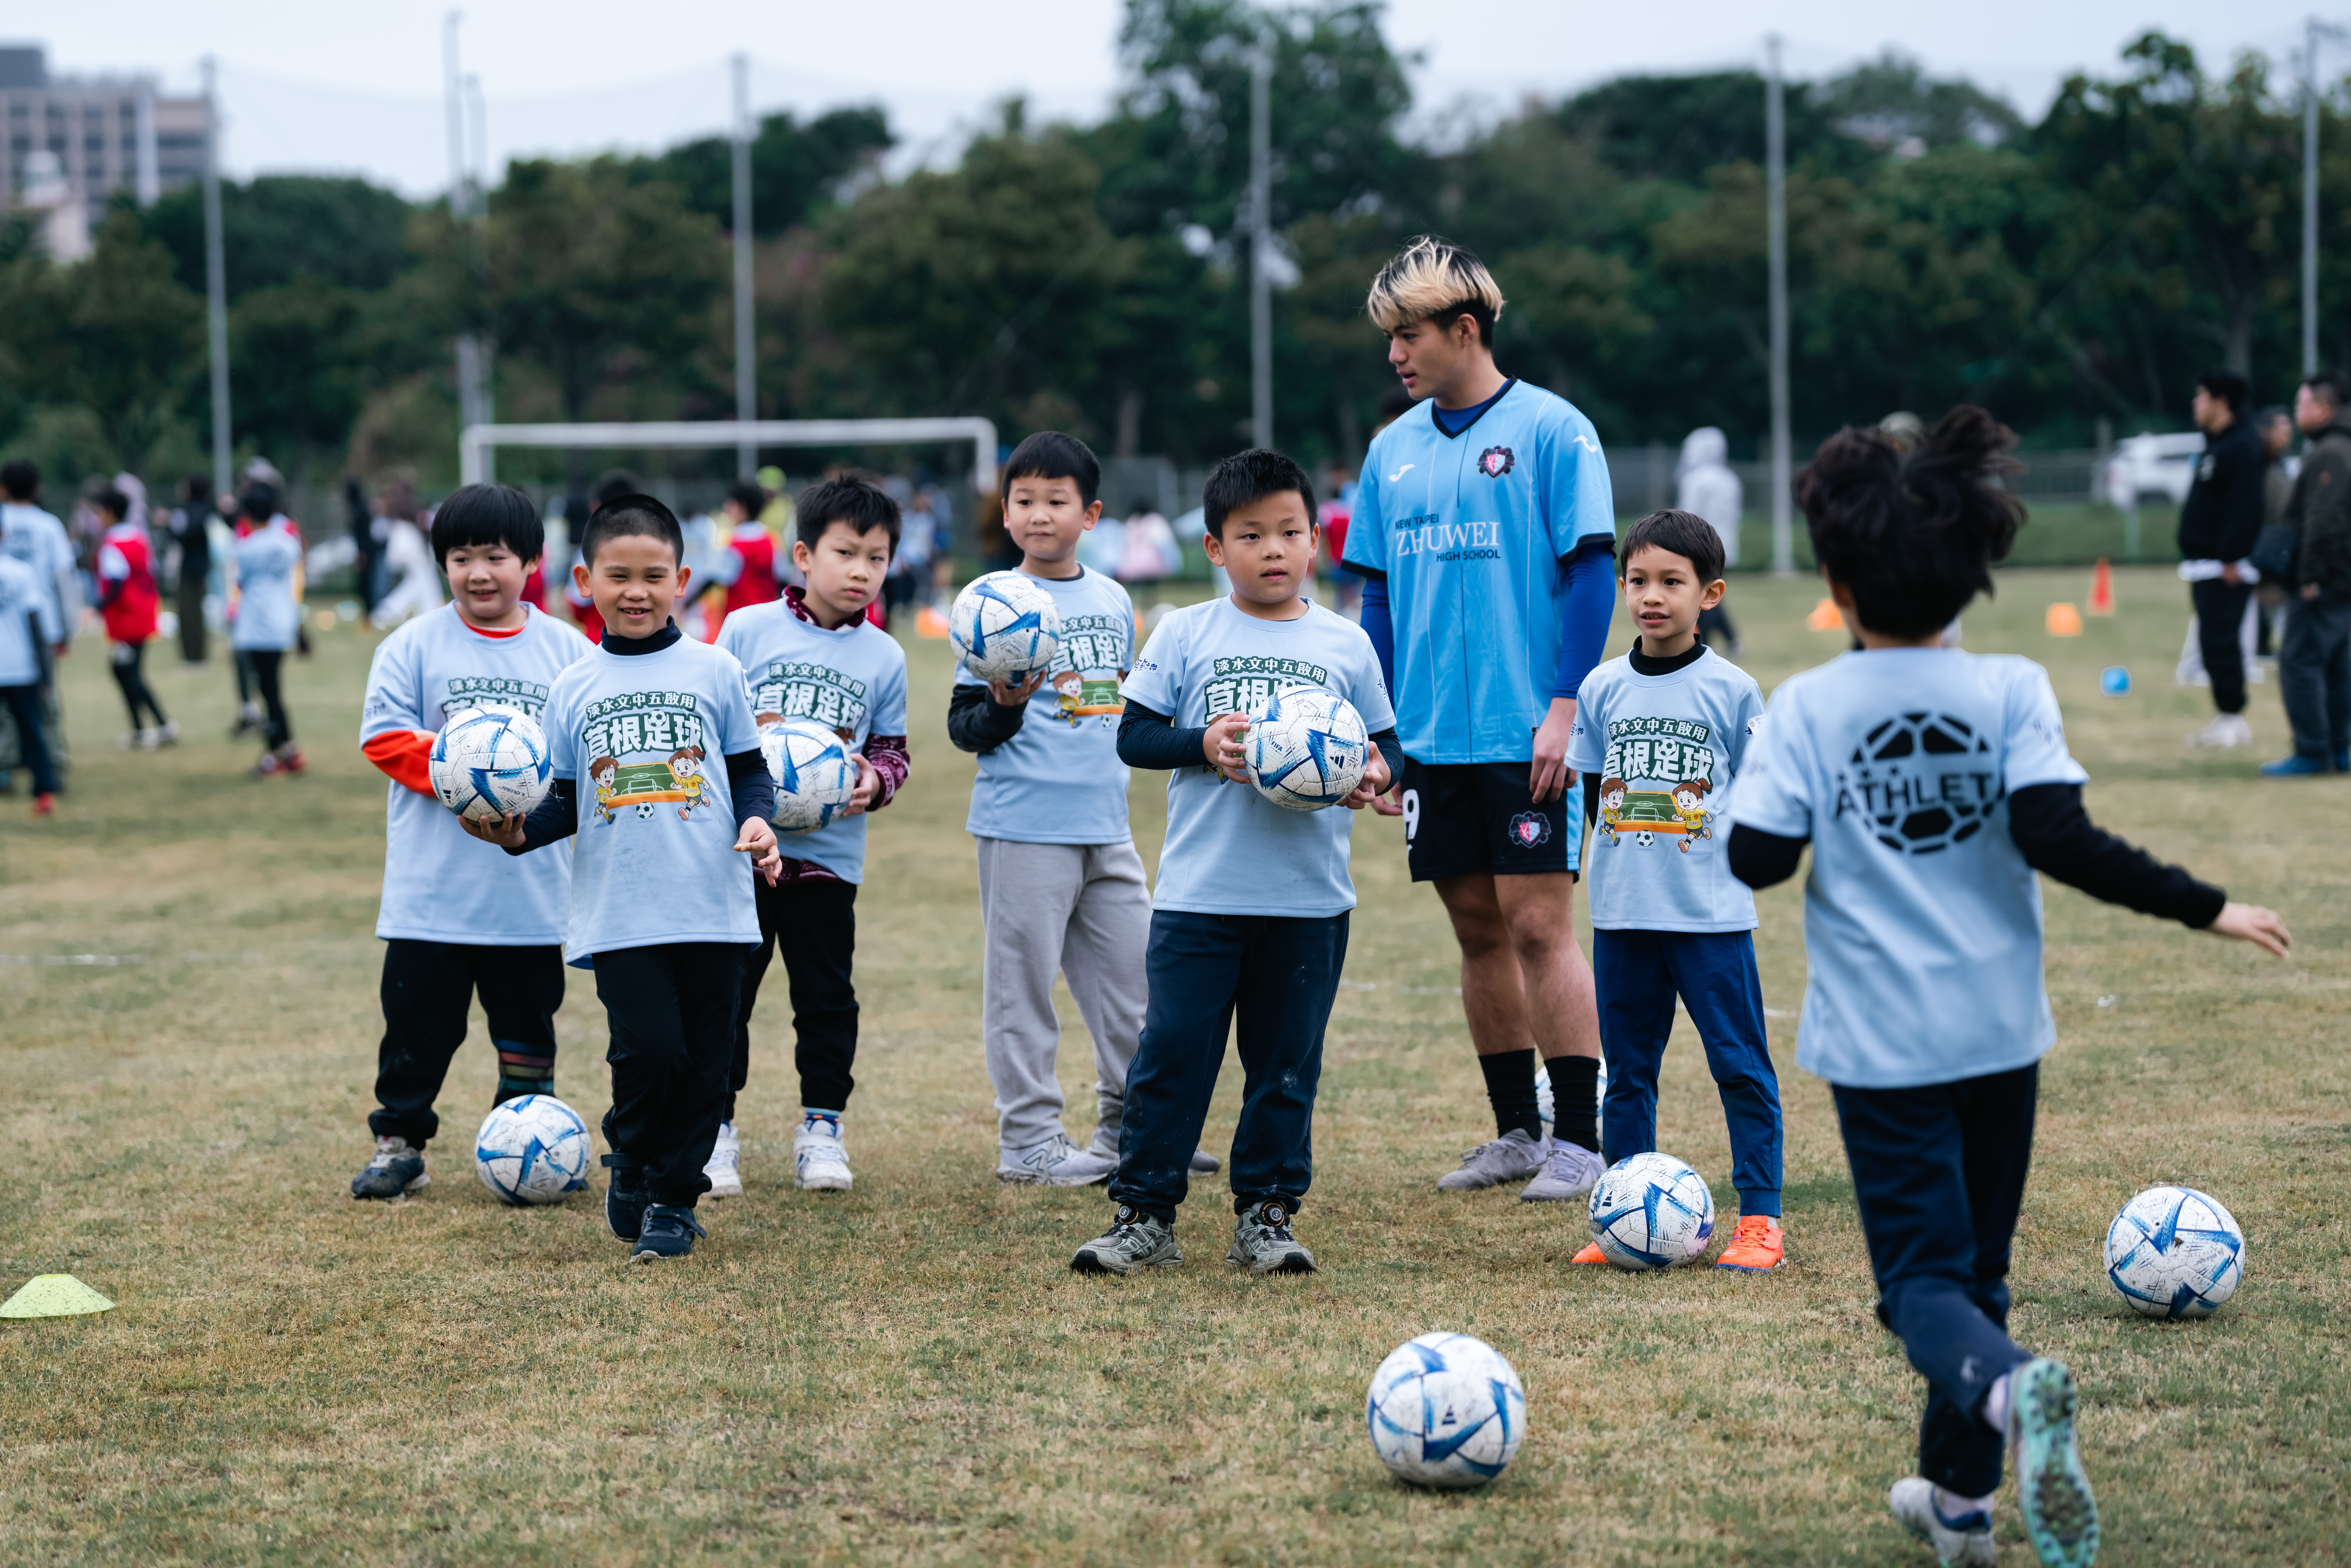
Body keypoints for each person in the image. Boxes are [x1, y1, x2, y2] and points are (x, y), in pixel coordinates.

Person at [1726, 406, 2290, 1568]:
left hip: (1884, 1045)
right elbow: (2060, 836)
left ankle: (2017, 1389)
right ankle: (1964, 1512)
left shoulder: (1808, 708)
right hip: (1999, 1032)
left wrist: (1768, 791)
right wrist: (2209, 904)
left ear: (1836, 576)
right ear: (1976, 570)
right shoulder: (2013, 685)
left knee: (1925, 1290)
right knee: (1977, 1277)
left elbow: (1757, 862)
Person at [1070, 448, 1397, 1277]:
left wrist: (1374, 773)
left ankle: (1267, 1212)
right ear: (1216, 548)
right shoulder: (1186, 630)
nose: (1275, 549)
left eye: (1290, 531)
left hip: (1310, 900)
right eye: (1252, 535)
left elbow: (1388, 744)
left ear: (1316, 540)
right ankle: (1143, 1212)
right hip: (1199, 896)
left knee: (1285, 1064)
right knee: (1174, 1051)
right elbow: (1133, 734)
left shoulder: (1346, 641)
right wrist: (1202, 742)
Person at [1340, 236, 1615, 1203]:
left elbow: (1591, 570)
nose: (1394, 355)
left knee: (1538, 922)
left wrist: (1564, 704)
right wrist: (1382, 730)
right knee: (1472, 927)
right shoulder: (1391, 452)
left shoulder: (1552, 430)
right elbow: (1372, 600)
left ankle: (1581, 1140)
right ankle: (1514, 1132)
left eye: (1407, 334)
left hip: (1525, 729)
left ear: (1465, 330)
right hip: (1428, 735)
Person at [467, 493, 783, 1262]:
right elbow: (565, 801)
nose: (636, 592)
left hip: (713, 906)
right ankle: (631, 1158)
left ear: (682, 580)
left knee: (709, 1063)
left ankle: (674, 1200)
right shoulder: (573, 686)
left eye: (653, 575)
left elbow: (747, 770)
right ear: (585, 580)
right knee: (649, 1052)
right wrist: (514, 835)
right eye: (618, 576)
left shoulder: (716, 669)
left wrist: (759, 820)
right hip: (621, 912)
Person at [947, 433, 1200, 1186]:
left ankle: (1135, 1128)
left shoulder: (1115, 600)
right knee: (1022, 995)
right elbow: (966, 729)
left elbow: (1119, 710)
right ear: (1005, 510)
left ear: (1090, 514)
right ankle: (1028, 1144)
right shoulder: (991, 604)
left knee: (1137, 989)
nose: (1038, 516)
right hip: (1022, 827)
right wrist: (1004, 707)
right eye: (1023, 501)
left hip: (1106, 826)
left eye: (1056, 502)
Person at [348, 484, 596, 1198]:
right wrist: (472, 768)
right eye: (461, 558)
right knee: (416, 1029)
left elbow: (582, 758)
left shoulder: (568, 654)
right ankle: (399, 1142)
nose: (479, 573)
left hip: (529, 892)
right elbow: (385, 741)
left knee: (527, 1031)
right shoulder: (413, 646)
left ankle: (529, 1142)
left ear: (531, 563)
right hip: (432, 897)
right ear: (442, 564)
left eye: (496, 556)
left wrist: (531, 781)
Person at [1562, 508, 1782, 1268]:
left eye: (1671, 583)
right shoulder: (1600, 687)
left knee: (1738, 1064)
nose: (1651, 597)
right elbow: (1595, 794)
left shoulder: (1733, 690)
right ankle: (1622, 1213)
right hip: (1622, 915)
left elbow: (1756, 796)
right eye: (1637, 581)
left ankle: (1760, 1220)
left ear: (1709, 595)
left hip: (1709, 916)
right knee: (1626, 1075)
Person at [712, 476, 911, 1198]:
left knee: (826, 999)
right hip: (745, 857)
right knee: (727, 997)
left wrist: (875, 783)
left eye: (878, 558)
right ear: (803, 555)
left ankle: (822, 1129)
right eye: (846, 553)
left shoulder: (885, 655)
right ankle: (716, 1130)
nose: (862, 571)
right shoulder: (746, 631)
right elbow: (713, 732)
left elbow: (894, 750)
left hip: (827, 861)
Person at [2265, 370, 2351, 776]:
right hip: (2344, 579)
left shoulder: (2329, 453)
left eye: (2301, 404)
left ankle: (2312, 751)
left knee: (2300, 662)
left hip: (2326, 580)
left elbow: (2324, 521)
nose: (2296, 413)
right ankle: (2339, 748)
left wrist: (2310, 576)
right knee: (2337, 666)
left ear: (2323, 407)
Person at [2178, 368, 2265, 750]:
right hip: (2205, 563)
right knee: (2212, 641)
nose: (2195, 405)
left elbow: (2245, 507)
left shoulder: (2242, 446)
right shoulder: (2217, 444)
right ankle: (2225, 716)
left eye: (2201, 397)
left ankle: (2233, 719)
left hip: (2224, 566)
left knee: (2223, 641)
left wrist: (2231, 556)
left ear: (2220, 402)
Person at [0, 458, 78, 796]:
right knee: (44, 701)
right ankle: (53, 766)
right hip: (41, 623)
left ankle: (6, 768)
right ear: (37, 489)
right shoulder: (48, 526)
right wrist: (68, 626)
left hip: (6, 625)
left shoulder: (2, 522)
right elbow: (63, 579)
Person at [229, 483, 305, 776]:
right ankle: (287, 749)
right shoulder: (288, 543)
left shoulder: (246, 548)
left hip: (256, 626)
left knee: (268, 692)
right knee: (274, 689)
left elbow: (240, 582)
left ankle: (277, 753)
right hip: (281, 621)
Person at [91, 485, 175, 749]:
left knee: (129, 673)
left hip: (126, 618)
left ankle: (162, 725)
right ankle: (143, 729)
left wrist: (98, 607)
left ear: (109, 513)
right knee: (124, 671)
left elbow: (115, 583)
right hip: (143, 611)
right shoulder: (138, 537)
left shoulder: (112, 544)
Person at [0, 534, 63, 817]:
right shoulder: (21, 572)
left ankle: (7, 778)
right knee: (31, 730)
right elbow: (36, 625)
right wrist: (46, 674)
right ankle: (45, 791)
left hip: (16, 667)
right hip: (21, 666)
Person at [1675, 427, 1744, 653]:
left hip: (1699, 545)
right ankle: (1728, 641)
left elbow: (1688, 517)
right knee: (1709, 592)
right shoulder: (1729, 478)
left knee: (1702, 595)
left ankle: (1706, 645)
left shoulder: (1695, 480)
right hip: (1725, 543)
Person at [704, 479, 781, 641]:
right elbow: (782, 578)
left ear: (742, 508)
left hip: (739, 618)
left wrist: (687, 603)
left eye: (731, 504)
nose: (727, 508)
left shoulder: (735, 543)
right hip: (768, 616)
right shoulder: (772, 539)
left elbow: (715, 578)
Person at [166, 475, 214, 665]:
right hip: (193, 569)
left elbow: (185, 535)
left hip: (194, 571)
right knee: (188, 614)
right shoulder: (197, 510)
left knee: (191, 614)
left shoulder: (199, 510)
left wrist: (167, 527)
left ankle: (195, 657)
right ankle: (192, 656)